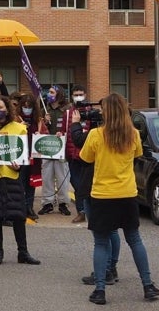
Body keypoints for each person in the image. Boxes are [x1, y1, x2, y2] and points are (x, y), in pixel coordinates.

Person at [79, 93, 159, 304]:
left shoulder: (96, 135)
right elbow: (136, 155)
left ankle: (100, 290)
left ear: (106, 113)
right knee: (134, 239)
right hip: (127, 193)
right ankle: (148, 285)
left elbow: (85, 158)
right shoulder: (132, 134)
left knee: (101, 242)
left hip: (102, 195)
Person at [0, 95, 40, 266]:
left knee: (18, 216)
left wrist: (18, 166)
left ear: (8, 109)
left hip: (12, 176)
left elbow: (22, 153)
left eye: (1, 107)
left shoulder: (19, 128)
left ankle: (23, 252)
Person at [70, 108, 121, 287]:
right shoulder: (127, 133)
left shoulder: (97, 134)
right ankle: (111, 267)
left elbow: (80, 145)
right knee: (114, 231)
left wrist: (76, 123)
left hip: (96, 187)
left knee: (101, 236)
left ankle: (105, 271)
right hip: (119, 188)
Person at [38, 85, 72, 217]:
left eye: (52, 92)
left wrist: (62, 133)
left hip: (61, 149)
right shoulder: (43, 110)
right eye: (49, 92)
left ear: (59, 94)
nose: (49, 94)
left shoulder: (66, 110)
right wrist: (44, 122)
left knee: (62, 177)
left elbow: (70, 127)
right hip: (47, 148)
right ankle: (47, 203)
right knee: (47, 177)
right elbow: (40, 129)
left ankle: (63, 203)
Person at [16, 93, 48, 221]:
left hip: (34, 157)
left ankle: (29, 207)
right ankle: (21, 208)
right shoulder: (16, 119)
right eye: (24, 106)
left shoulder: (39, 120)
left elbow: (45, 135)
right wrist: (20, 127)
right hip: (20, 156)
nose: (27, 109)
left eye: (29, 107)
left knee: (31, 183)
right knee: (20, 183)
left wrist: (40, 134)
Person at [67, 85, 90, 223]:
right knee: (76, 183)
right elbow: (64, 133)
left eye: (81, 94)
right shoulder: (68, 113)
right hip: (72, 156)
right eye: (75, 95)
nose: (78, 97)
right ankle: (81, 211)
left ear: (85, 95)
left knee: (86, 185)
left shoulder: (91, 113)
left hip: (87, 156)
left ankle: (87, 210)